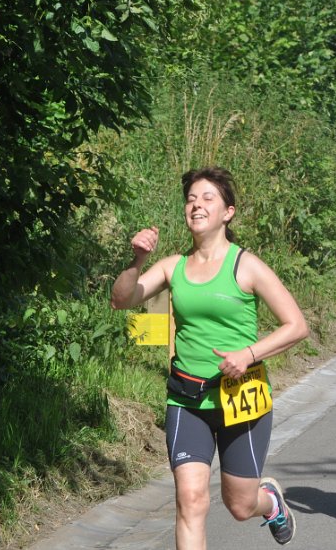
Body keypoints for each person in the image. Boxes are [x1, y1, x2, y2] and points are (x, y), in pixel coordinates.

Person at [110, 167, 310, 549]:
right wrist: (136, 261)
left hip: (240, 396)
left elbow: (297, 325)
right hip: (187, 399)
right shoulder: (173, 266)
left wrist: (248, 354)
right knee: (190, 499)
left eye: (207, 198)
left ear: (228, 212)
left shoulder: (245, 265)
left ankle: (270, 503)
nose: (196, 205)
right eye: (190, 199)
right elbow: (121, 299)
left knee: (240, 504)